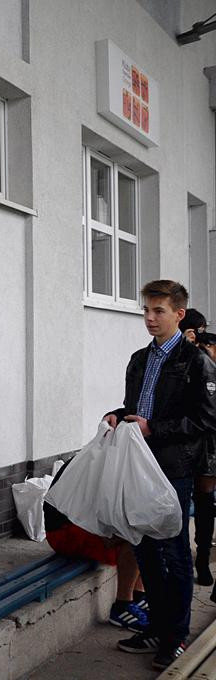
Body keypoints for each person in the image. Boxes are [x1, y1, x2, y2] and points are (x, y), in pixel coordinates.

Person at [104, 280, 216, 670]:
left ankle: (176, 636)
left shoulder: (196, 361)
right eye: (146, 311)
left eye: (158, 311)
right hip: (139, 467)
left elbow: (206, 418)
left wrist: (156, 429)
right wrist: (118, 415)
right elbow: (135, 406)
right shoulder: (140, 359)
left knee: (172, 551)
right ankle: (157, 627)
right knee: (145, 547)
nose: (150, 318)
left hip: (174, 469)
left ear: (178, 314)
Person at [44, 460, 149, 632]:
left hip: (81, 525)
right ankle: (123, 605)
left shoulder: (117, 458)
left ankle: (139, 596)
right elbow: (106, 529)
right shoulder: (103, 461)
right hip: (63, 532)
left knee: (149, 529)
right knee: (136, 537)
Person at [181, 311, 216, 585]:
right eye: (199, 331)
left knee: (205, 501)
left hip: (208, 439)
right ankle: (189, 561)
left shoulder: (208, 356)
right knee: (182, 500)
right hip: (182, 437)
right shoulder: (178, 355)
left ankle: (202, 560)